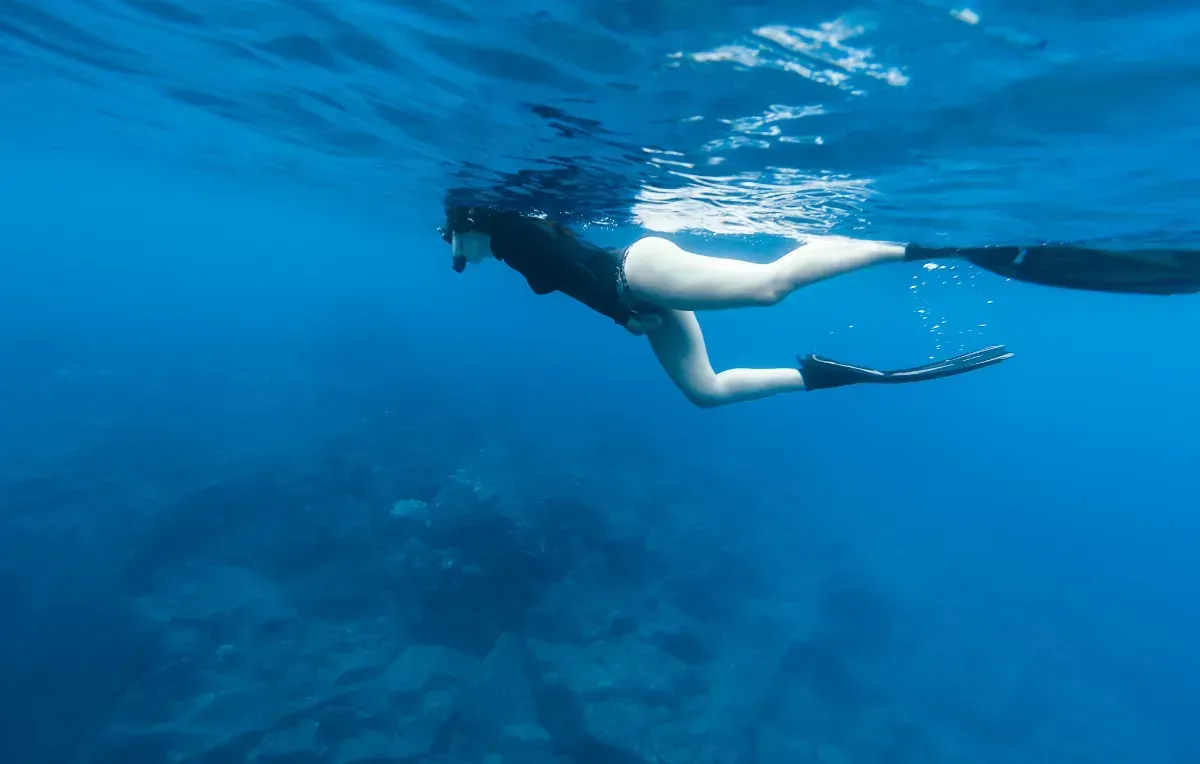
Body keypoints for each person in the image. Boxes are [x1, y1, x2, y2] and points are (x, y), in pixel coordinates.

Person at [440, 205, 1200, 408]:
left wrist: (621, 315)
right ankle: (831, 377)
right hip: (637, 291)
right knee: (704, 394)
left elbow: (571, 266)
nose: (457, 257)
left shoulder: (510, 234)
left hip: (637, 278)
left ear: (468, 223)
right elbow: (570, 269)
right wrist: (626, 313)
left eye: (453, 243)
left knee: (769, 287)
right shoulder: (510, 236)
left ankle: (923, 243)